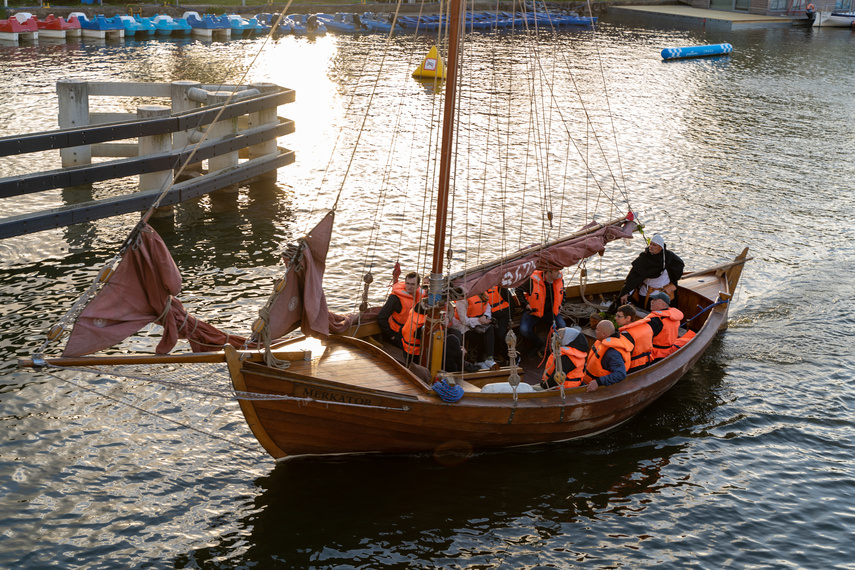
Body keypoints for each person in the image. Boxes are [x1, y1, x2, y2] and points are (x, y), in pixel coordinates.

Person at [618, 235, 684, 310]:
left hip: (663, 294)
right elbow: (633, 277)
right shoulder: (644, 259)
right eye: (651, 244)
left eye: (654, 245)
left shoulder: (669, 258)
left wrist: (672, 282)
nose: (651, 247)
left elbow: (678, 269)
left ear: (660, 247)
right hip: (645, 293)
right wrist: (626, 292)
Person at [515, 269, 566, 357]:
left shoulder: (559, 279)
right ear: (548, 272)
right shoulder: (532, 280)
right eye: (556, 271)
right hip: (534, 312)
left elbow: (563, 293)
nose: (559, 273)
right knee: (524, 330)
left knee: (562, 327)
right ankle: (538, 344)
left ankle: (557, 347)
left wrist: (561, 304)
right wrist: (525, 304)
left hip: (550, 312)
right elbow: (518, 290)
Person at [376, 272, 423, 350]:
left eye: (412, 284)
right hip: (398, 334)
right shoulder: (395, 298)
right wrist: (392, 336)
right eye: (407, 283)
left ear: (418, 286)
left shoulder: (422, 297)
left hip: (414, 334)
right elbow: (381, 317)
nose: (409, 287)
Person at [583, 320, 633, 392]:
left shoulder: (612, 353)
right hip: (587, 381)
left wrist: (599, 382)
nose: (595, 331)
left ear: (604, 334)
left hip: (598, 388)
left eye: (597, 329)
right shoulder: (603, 341)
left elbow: (621, 374)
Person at [452, 293, 496, 369]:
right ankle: (479, 361)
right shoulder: (461, 300)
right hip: (463, 326)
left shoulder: (483, 294)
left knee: (490, 329)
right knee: (483, 338)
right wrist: (480, 321)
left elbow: (487, 307)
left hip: (478, 323)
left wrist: (485, 317)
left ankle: (489, 358)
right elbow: (464, 320)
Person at [615, 304, 657, 373]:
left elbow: (624, 356)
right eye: (616, 315)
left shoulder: (626, 334)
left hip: (633, 367)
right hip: (647, 361)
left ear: (628, 318)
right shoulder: (646, 326)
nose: (616, 318)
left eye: (619, 316)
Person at [646, 292, 684, 362]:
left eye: (655, 300)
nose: (651, 301)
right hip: (667, 351)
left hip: (655, 354)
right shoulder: (675, 317)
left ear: (663, 305)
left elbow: (644, 338)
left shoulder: (656, 320)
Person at [486, 285, 514, 362]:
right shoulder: (482, 290)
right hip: (489, 317)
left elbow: (511, 302)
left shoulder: (500, 288)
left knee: (500, 334)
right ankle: (494, 355)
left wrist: (510, 318)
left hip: (503, 315)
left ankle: (510, 355)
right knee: (489, 334)